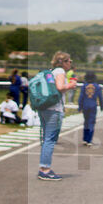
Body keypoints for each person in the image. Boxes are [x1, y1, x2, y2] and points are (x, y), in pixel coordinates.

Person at [37, 51, 78, 181]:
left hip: (45, 107)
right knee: (50, 139)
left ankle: (43, 168)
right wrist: (71, 85)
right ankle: (45, 169)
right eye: (69, 61)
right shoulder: (60, 71)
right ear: (63, 62)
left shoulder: (51, 71)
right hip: (54, 109)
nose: (71, 63)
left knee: (46, 139)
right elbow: (60, 87)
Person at [77, 71, 103, 146]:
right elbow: (100, 97)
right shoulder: (97, 86)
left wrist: (80, 107)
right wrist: (102, 106)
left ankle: (85, 139)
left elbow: (81, 97)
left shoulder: (84, 86)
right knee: (91, 123)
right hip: (93, 106)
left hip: (85, 105)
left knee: (86, 122)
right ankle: (89, 140)